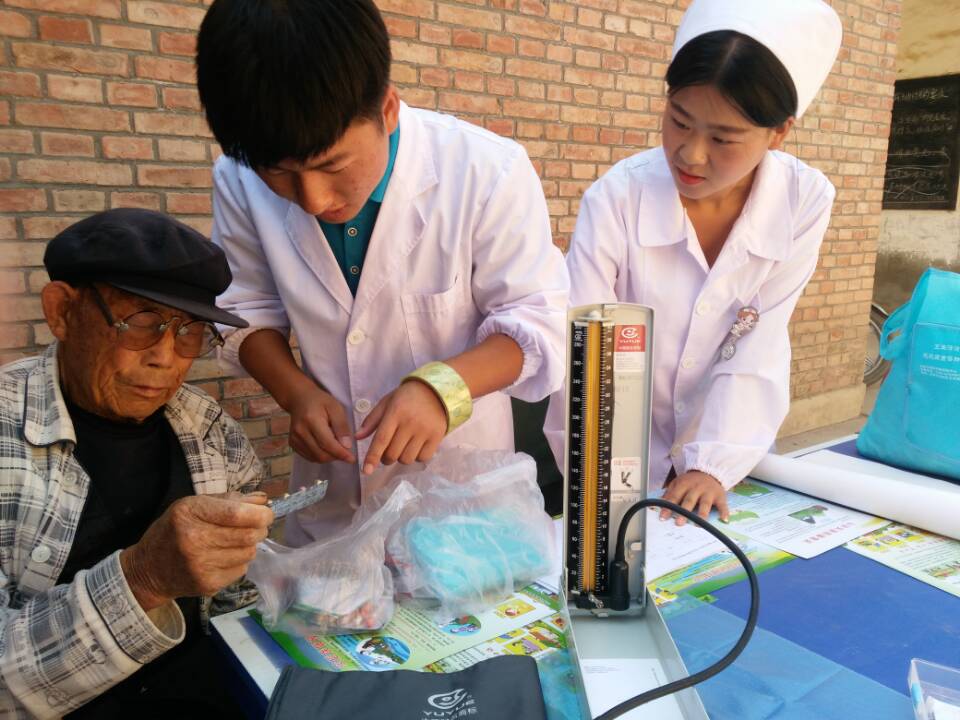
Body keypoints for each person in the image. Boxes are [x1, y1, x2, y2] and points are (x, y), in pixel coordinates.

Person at [195, 0, 569, 541]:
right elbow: (242, 310)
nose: (313, 199)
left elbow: (538, 323)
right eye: (279, 173)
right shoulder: (237, 177)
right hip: (334, 507)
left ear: (388, 110)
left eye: (332, 165)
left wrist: (443, 388)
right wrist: (296, 393)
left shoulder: (487, 171)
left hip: (462, 510)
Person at [546, 0, 843, 525]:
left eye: (723, 138)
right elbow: (590, 350)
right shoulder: (617, 198)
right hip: (612, 449)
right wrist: (614, 478)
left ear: (779, 132)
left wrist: (712, 463)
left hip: (720, 449)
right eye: (679, 121)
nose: (690, 154)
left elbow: (760, 336)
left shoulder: (803, 200)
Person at [0, 209, 274, 717]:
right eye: (141, 322)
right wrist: (143, 579)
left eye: (190, 331)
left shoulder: (210, 430)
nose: (166, 357)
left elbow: (240, 603)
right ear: (62, 312)